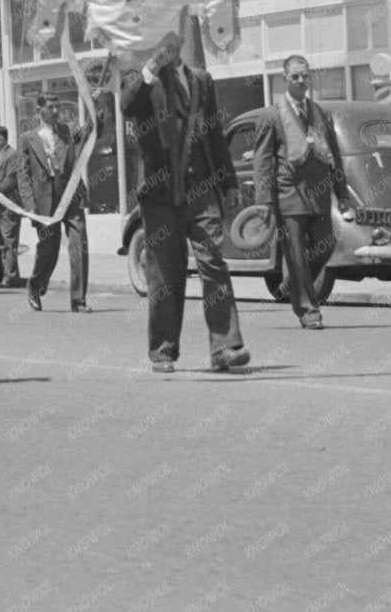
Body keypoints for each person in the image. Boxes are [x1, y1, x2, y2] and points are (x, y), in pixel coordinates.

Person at [121, 32, 249, 374]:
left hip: (200, 187)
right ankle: (163, 349)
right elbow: (126, 106)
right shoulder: (140, 78)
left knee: (213, 261)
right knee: (165, 273)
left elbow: (214, 135)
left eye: (173, 37)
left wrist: (228, 183)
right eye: (161, 38)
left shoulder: (201, 81)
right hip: (161, 192)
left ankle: (225, 346)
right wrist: (151, 67)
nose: (169, 42)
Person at [253, 54, 355, 330]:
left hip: (319, 197)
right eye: (295, 76)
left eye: (305, 75)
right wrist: (263, 200)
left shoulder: (321, 114)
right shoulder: (272, 115)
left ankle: (293, 282)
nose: (301, 80)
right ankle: (309, 311)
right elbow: (262, 161)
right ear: (284, 79)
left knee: (325, 246)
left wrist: (342, 193)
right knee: (296, 254)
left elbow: (333, 155)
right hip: (288, 197)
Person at [20, 95, 90, 313]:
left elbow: (92, 130)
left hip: (71, 196)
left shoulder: (69, 130)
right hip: (45, 203)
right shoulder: (28, 138)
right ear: (39, 111)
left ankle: (78, 300)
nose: (56, 111)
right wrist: (30, 206)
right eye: (51, 107)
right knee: (48, 251)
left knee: (79, 246)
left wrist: (94, 105)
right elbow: (23, 175)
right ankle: (35, 284)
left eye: (57, 106)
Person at [0, 127, 22, 291]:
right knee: (2, 241)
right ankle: (6, 274)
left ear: (1, 139)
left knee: (9, 241)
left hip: (9, 205)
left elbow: (10, 181)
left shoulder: (12, 155)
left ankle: (10, 276)